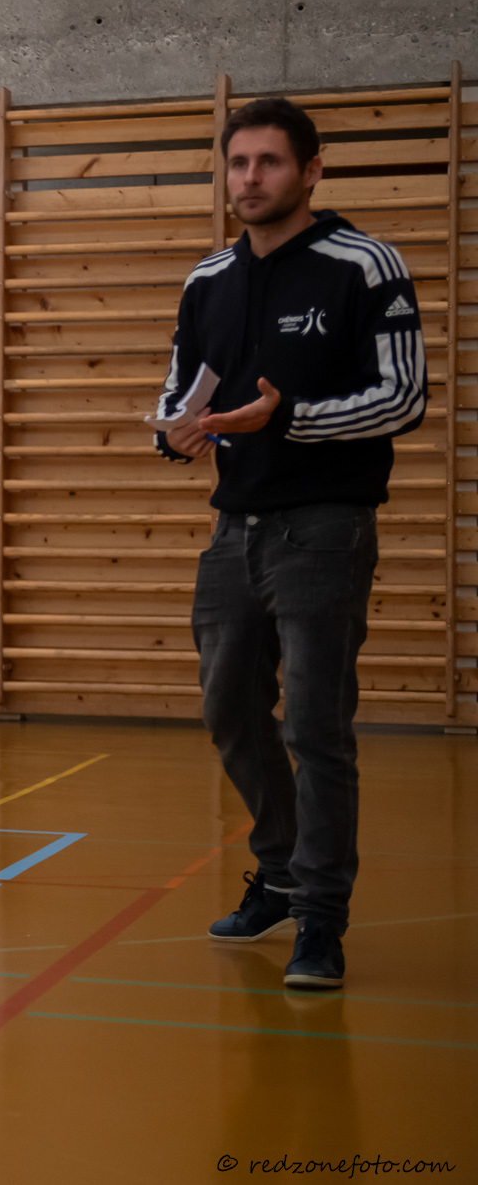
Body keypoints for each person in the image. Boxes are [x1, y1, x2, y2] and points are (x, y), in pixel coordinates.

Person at [156, 97, 425, 990]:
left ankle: (320, 918)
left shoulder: (364, 265)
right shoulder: (207, 280)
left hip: (326, 529)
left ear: (311, 170)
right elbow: (182, 391)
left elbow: (403, 397)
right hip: (233, 529)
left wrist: (288, 418)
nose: (250, 178)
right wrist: (174, 431)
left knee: (316, 725)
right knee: (230, 711)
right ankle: (278, 870)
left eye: (269, 162)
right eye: (238, 162)